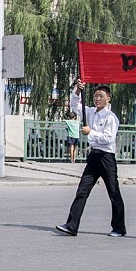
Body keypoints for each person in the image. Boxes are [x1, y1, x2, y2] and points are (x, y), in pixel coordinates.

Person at [55, 80, 126, 237]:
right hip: (94, 156)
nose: (97, 99)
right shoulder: (90, 112)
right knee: (82, 190)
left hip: (107, 157)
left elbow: (109, 138)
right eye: (95, 96)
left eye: (101, 96)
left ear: (108, 98)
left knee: (113, 193)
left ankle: (119, 227)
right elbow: (74, 106)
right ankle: (72, 225)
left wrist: (90, 132)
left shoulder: (111, 117)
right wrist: (78, 91)